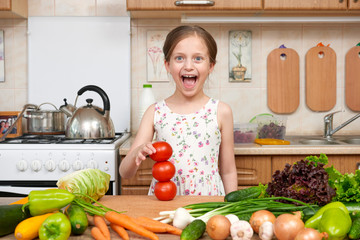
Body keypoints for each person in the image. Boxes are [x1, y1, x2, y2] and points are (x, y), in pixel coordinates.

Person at [120, 25, 238, 196]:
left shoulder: (221, 111)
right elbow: (125, 172)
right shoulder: (155, 112)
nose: (188, 66)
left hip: (208, 203)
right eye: (179, 58)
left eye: (198, 58)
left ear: (211, 66)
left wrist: (232, 209)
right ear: (167, 65)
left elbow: (228, 171)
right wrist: (136, 154)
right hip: (164, 202)